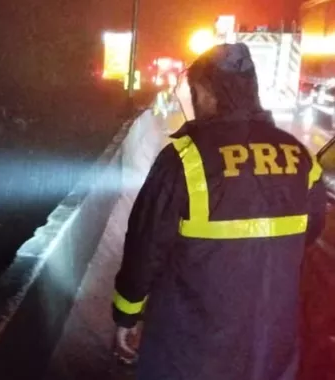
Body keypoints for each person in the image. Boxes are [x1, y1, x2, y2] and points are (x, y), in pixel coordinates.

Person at [111, 43, 327, 380]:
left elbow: (145, 245)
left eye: (195, 91)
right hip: (272, 348)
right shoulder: (300, 157)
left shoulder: (185, 159)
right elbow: (310, 232)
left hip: (189, 352)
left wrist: (127, 314)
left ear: (207, 92)